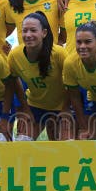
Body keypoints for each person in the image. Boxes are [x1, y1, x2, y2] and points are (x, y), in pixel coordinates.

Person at [7, 11, 69, 141]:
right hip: (35, 106)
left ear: (44, 33)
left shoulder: (59, 54)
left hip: (62, 107)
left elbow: (73, 85)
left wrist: (65, 110)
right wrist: (25, 107)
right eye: (25, 31)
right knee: (23, 143)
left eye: (33, 30)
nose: (28, 35)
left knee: (64, 146)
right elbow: (13, 81)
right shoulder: (14, 56)